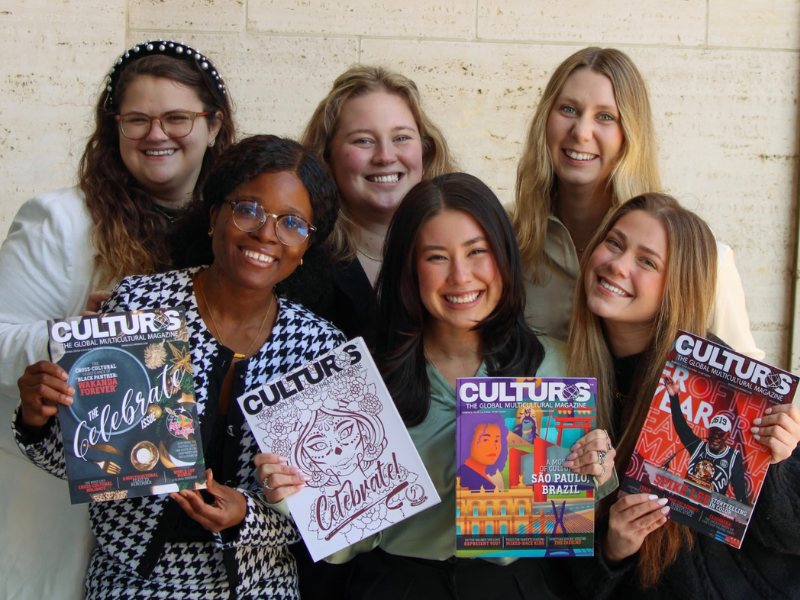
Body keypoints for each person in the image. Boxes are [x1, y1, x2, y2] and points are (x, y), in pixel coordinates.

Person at [14, 135, 345, 598]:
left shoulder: (319, 348)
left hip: (259, 587)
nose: (267, 234)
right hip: (130, 582)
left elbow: (333, 509)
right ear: (214, 217)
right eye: (248, 209)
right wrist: (37, 418)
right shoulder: (140, 308)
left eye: (292, 223)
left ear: (306, 246)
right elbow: (86, 464)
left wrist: (246, 517)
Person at [259, 172, 617, 599]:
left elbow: (572, 522)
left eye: (477, 251)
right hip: (397, 586)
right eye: (436, 257)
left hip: (517, 585)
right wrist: (293, 497)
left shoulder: (560, 364)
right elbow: (347, 542)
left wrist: (592, 472)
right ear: (409, 268)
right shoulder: (360, 380)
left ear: (505, 255)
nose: (461, 276)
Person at [0, 39, 235, 599]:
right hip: (65, 501)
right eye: (137, 120)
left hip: (183, 523)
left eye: (177, 117)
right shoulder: (59, 220)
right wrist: (71, 336)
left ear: (213, 124)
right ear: (116, 129)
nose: (157, 135)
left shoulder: (237, 229)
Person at [566, 192, 800, 599]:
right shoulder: (562, 377)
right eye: (615, 243)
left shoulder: (725, 380)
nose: (617, 265)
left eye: (646, 261)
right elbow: (560, 573)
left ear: (677, 285)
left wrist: (777, 463)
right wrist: (612, 548)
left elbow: (790, 532)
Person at [512, 46, 763, 360]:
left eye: (605, 116)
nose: (581, 132)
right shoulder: (504, 238)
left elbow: (745, 391)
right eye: (568, 109)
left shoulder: (706, 261)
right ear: (544, 121)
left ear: (630, 135)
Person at [298, 65, 457, 338]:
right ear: (326, 156)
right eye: (363, 140)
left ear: (425, 149)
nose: (385, 156)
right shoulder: (298, 263)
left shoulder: (465, 253)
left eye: (401, 138)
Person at [664, 376, 748, 503]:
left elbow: (740, 491)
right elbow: (681, 426)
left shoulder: (733, 457)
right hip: (685, 504)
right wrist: (674, 397)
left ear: (728, 436)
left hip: (709, 515)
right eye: (713, 432)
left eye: (721, 434)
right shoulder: (698, 446)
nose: (716, 437)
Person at [457, 412, 509, 491]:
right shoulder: (464, 479)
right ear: (468, 440)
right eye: (485, 440)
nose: (494, 447)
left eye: (496, 440)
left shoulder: (485, 478)